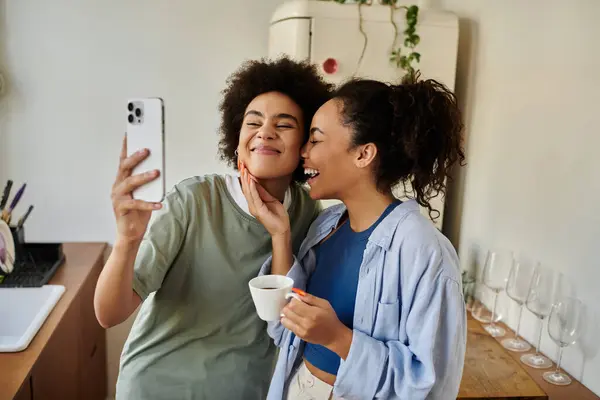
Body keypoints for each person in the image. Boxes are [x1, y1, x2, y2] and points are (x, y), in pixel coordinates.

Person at [93, 56, 332, 400]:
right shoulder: (194, 199)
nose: (265, 131)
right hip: (156, 387)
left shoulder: (307, 211)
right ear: (237, 140)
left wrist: (280, 236)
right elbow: (108, 314)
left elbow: (283, 320)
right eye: (253, 122)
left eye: (284, 125)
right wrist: (127, 240)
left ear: (304, 147)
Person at [240, 76, 467, 399]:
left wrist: (338, 338)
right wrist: (280, 233)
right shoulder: (327, 226)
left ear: (364, 154)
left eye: (315, 140)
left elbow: (431, 384)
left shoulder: (423, 250)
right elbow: (283, 328)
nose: (303, 151)